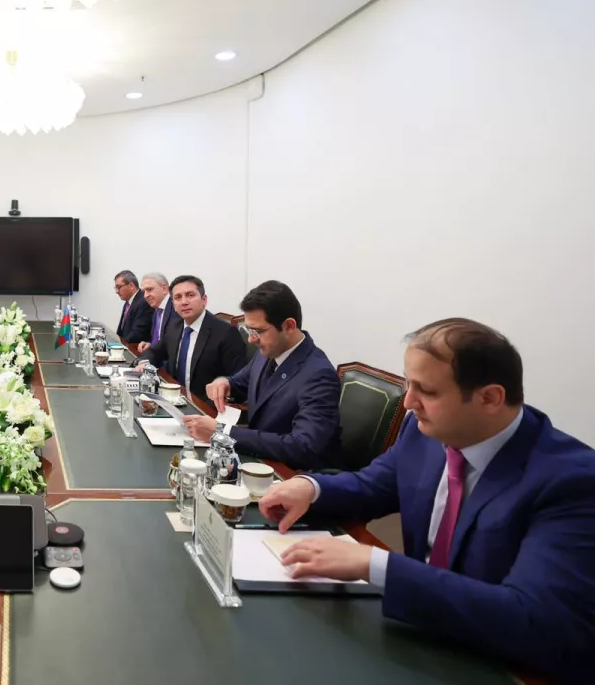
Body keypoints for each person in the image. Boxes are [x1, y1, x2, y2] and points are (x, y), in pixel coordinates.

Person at [260, 319, 595, 684]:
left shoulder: (572, 481)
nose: (407, 403)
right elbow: (373, 485)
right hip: (417, 635)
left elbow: (540, 622)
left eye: (426, 391)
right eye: (408, 384)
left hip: (494, 661)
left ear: (489, 398)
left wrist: (377, 565)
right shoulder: (424, 432)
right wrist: (311, 488)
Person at [204, 280, 341, 470]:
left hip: (293, 474)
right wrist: (223, 382)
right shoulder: (269, 351)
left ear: (289, 326)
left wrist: (224, 432)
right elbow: (240, 383)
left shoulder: (319, 375)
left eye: (258, 331)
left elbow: (303, 447)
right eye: (249, 330)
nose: (251, 339)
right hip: (259, 460)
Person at [138, 275, 246, 398]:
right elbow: (155, 352)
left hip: (206, 404)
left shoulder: (226, 333)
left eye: (190, 295)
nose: (184, 302)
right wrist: (144, 363)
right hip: (174, 398)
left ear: (204, 300)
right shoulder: (174, 327)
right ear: (173, 304)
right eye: (178, 297)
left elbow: (239, 381)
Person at [136, 271, 179, 353]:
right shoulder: (157, 310)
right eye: (144, 292)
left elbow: (174, 346)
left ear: (164, 288)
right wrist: (150, 344)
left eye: (149, 289)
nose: (145, 296)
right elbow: (160, 340)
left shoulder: (176, 308)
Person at [113, 270, 152, 344]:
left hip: (135, 348)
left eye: (119, 287)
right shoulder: (128, 302)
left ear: (131, 286)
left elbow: (138, 333)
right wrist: (114, 342)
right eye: (116, 288)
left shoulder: (143, 302)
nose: (117, 291)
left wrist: (120, 345)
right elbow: (121, 330)